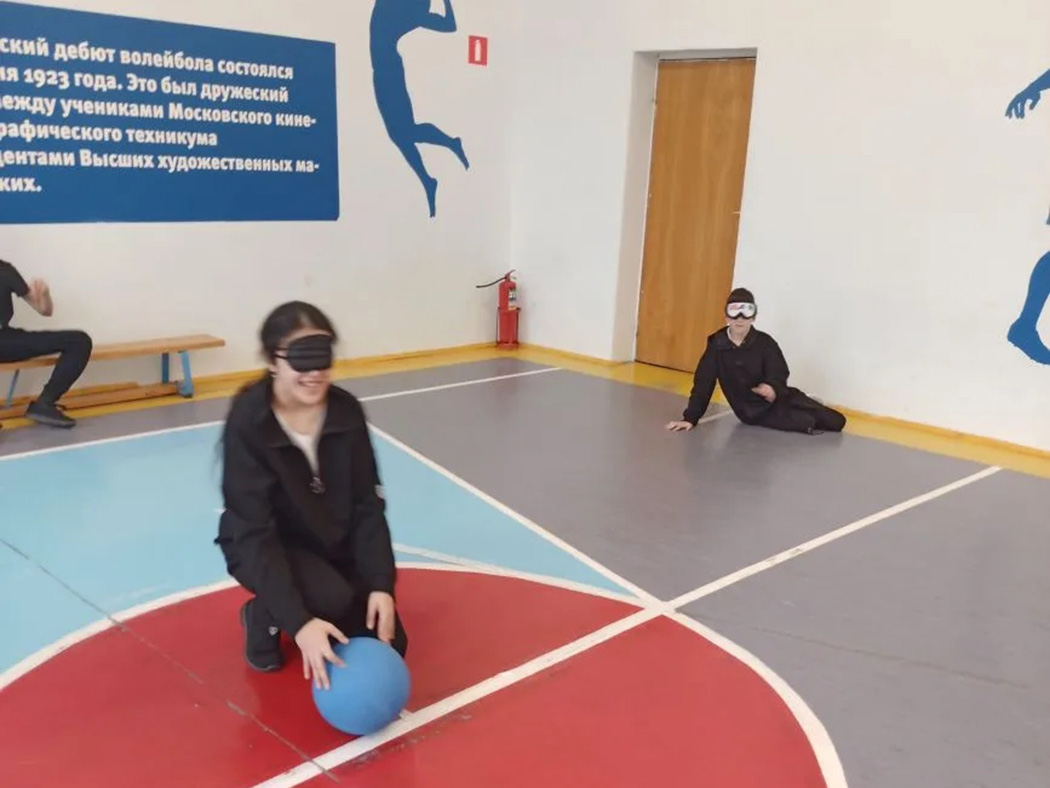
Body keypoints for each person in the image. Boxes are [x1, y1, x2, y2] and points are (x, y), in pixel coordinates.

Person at [215, 301, 407, 690]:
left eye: (323, 355)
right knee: (330, 600)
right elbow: (255, 532)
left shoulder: (345, 412)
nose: (315, 372)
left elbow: (367, 506)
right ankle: (263, 615)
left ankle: (309, 599)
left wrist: (381, 585)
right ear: (273, 361)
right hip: (263, 544)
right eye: (302, 358)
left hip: (328, 539)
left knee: (392, 642)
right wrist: (299, 624)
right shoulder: (250, 422)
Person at [666, 288, 846, 435]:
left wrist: (772, 387)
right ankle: (805, 413)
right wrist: (690, 418)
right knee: (807, 421)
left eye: (746, 312)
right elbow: (703, 384)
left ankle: (809, 403)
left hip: (778, 397)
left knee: (837, 421)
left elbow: (779, 371)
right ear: (727, 317)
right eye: (734, 312)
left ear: (753, 317)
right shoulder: (716, 347)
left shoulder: (765, 342)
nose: (740, 318)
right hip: (753, 412)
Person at [0, 258, 92, 429]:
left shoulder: (5, 270)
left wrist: (44, 295)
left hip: (6, 340)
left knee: (79, 341)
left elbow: (44, 310)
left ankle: (45, 404)